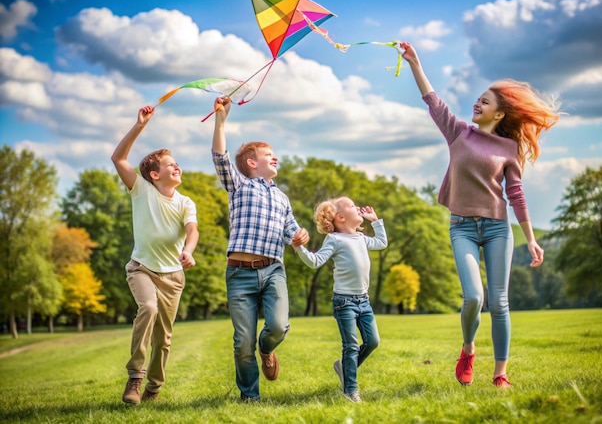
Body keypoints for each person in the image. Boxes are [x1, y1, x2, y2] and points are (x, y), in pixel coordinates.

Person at [399, 41, 560, 388]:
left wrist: (531, 239)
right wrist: (415, 64)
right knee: (474, 296)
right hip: (462, 228)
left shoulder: (509, 148)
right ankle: (468, 348)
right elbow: (433, 101)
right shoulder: (458, 131)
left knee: (499, 303)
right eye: (478, 98)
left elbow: (515, 193)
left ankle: (500, 373)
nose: (477, 103)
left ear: (499, 114)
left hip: (498, 228)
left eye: (485, 101)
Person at [211, 96, 309, 402]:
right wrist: (221, 119)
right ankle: (250, 397)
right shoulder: (239, 185)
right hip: (239, 274)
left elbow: (292, 231)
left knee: (278, 326)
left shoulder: (283, 199)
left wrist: (301, 236)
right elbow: (220, 156)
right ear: (252, 163)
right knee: (242, 342)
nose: (276, 158)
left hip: (272, 270)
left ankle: (267, 349)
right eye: (270, 155)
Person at [112, 105, 199, 404]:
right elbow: (118, 158)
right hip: (142, 269)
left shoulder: (186, 202)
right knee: (147, 307)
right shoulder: (141, 190)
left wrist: (187, 252)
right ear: (153, 173)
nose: (177, 167)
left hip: (173, 277)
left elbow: (192, 230)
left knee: (164, 339)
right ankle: (135, 377)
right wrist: (140, 126)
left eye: (177, 163)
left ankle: (154, 387)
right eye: (170, 164)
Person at [292, 197, 387, 403]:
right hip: (344, 302)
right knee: (351, 346)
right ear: (341, 217)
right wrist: (299, 248)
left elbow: (381, 242)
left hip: (364, 301)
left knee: (372, 342)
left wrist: (375, 221)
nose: (358, 207)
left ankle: (343, 367)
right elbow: (315, 261)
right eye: (353, 206)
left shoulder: (361, 238)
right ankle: (350, 391)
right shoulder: (335, 240)